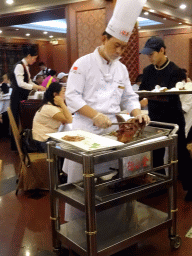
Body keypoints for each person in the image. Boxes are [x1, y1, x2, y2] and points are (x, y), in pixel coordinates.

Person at [63, 0, 148, 221]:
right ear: (104, 39)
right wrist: (95, 115)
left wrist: (137, 112)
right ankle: (78, 231)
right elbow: (71, 97)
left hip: (112, 134)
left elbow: (129, 97)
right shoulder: (82, 64)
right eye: (116, 45)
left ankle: (112, 228)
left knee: (110, 184)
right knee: (81, 187)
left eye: (123, 47)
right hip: (85, 133)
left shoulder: (121, 69)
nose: (119, 51)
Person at [139, 36, 192, 201]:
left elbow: (170, 97)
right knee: (156, 152)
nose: (149, 57)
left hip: (173, 118)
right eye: (147, 54)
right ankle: (158, 184)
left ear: (162, 50)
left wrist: (150, 97)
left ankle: (190, 186)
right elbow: (142, 92)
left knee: (181, 152)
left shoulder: (175, 71)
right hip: (155, 117)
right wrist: (142, 100)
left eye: (152, 53)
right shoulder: (148, 71)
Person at [32, 82, 72, 152]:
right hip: (43, 142)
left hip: (43, 139)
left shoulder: (49, 105)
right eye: (63, 93)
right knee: (70, 147)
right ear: (55, 95)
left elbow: (66, 118)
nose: (65, 95)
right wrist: (62, 103)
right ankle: (62, 162)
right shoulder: (49, 108)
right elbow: (69, 120)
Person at [10, 45, 45, 126]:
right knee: (16, 121)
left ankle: (25, 137)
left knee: (23, 119)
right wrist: (36, 87)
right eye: (34, 58)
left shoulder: (26, 67)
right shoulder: (19, 66)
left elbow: (29, 81)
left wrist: (38, 86)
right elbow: (20, 83)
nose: (35, 60)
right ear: (29, 56)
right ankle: (16, 138)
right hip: (17, 97)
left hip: (23, 96)